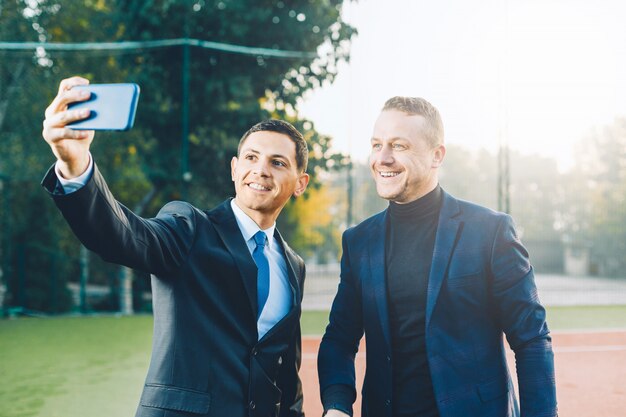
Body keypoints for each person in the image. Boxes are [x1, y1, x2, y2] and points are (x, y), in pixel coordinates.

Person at [41, 76, 310, 417]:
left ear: (300, 183)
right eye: (251, 157)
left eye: (278, 162)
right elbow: (122, 236)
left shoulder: (294, 266)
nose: (260, 170)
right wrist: (75, 165)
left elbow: (286, 372)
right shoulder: (188, 227)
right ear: (234, 168)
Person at [317, 96, 557, 417]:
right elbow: (339, 339)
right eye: (377, 145)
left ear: (436, 155)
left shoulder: (491, 231)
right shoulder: (359, 241)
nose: (382, 158)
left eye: (398, 146)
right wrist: (336, 405)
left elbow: (531, 339)